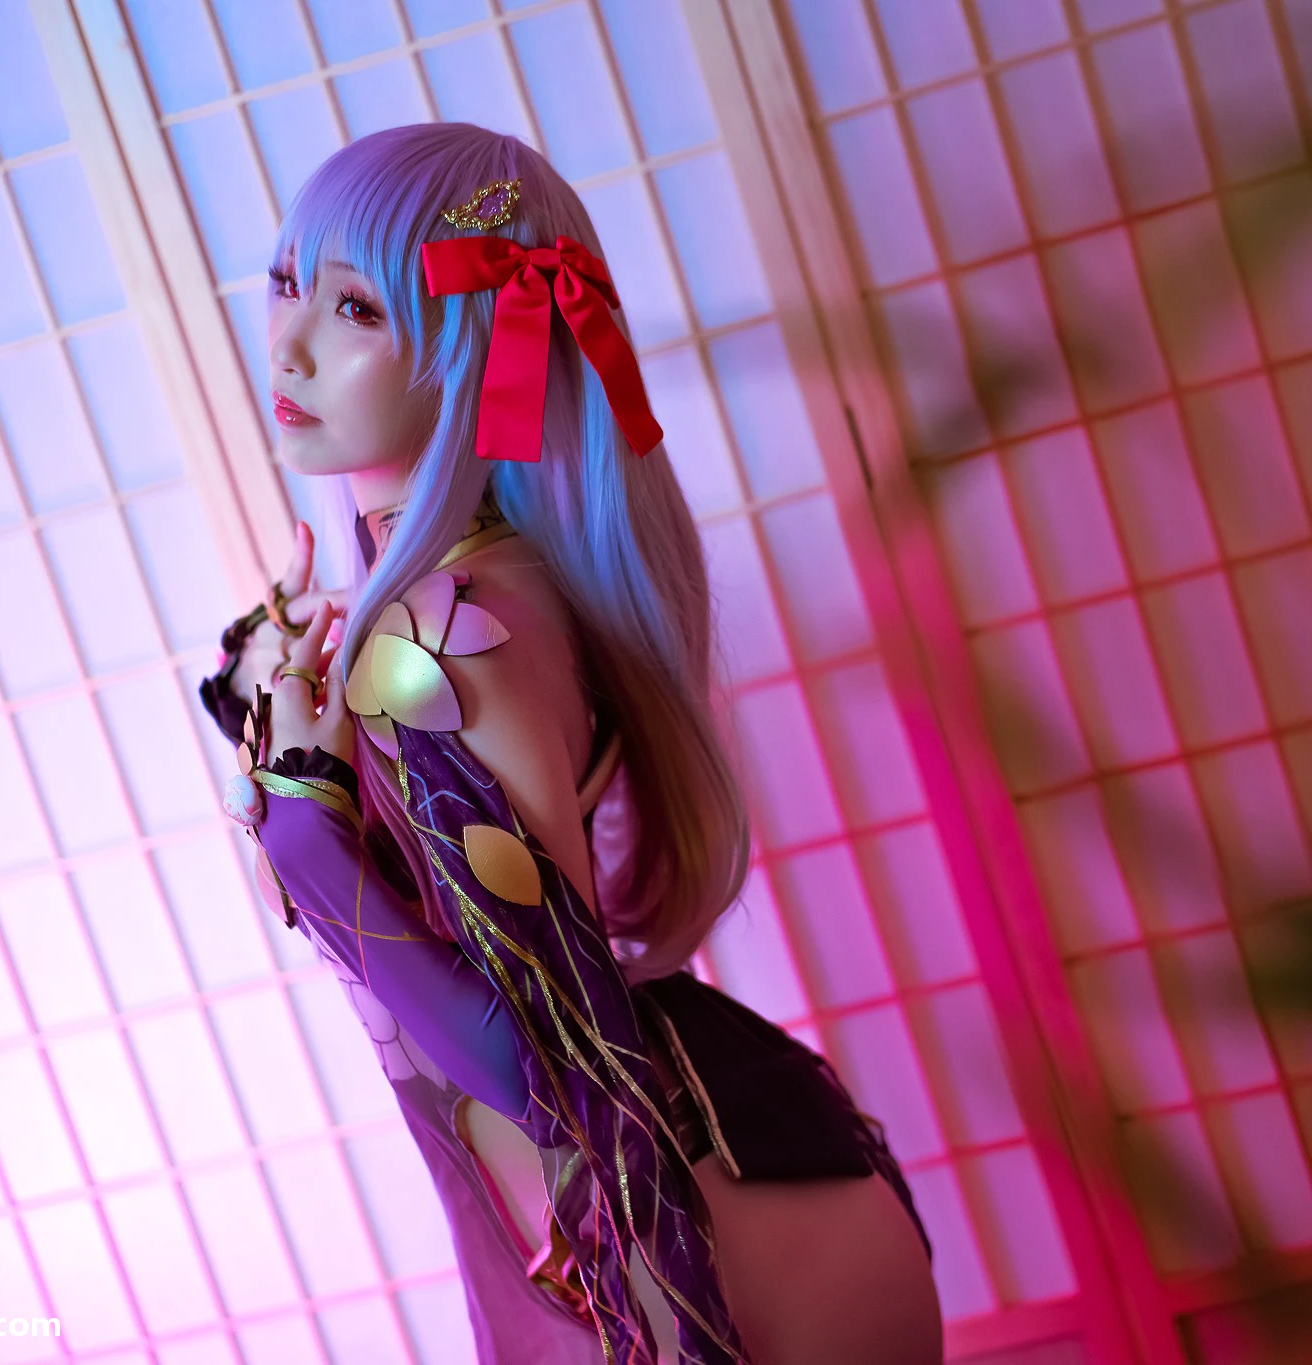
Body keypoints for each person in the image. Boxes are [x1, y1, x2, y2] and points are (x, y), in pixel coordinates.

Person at [198, 122, 942, 1365]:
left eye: (355, 308)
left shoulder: (435, 638)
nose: (288, 343)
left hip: (673, 1242)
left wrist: (307, 833)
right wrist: (261, 705)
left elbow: (541, 1062)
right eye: (285, 285)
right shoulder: (474, 590)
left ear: (468, 350)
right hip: (703, 1177)